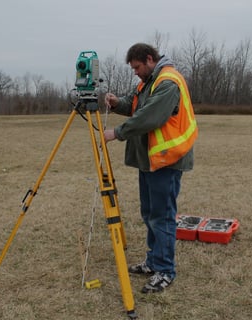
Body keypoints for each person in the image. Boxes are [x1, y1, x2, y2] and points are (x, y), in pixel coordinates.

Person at [104, 43, 198, 293]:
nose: (135, 72)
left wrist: (116, 133)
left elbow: (149, 117)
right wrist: (116, 103)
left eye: (136, 67)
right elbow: (137, 107)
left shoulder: (167, 82)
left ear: (149, 59)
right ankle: (153, 261)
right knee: (149, 214)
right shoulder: (149, 81)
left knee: (162, 216)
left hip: (167, 161)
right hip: (151, 161)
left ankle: (165, 270)